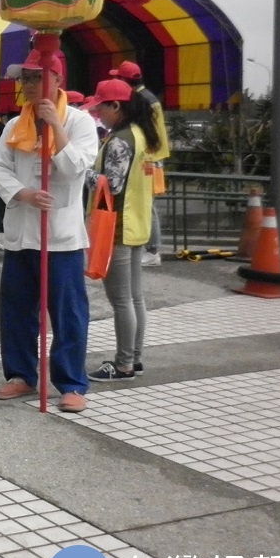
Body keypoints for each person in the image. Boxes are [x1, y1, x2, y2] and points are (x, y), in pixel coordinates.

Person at [0, 48, 99, 413]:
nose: (29, 85)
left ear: (58, 80)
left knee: (67, 312)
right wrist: (23, 193)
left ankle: (70, 383)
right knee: (17, 309)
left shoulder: (80, 122)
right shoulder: (12, 125)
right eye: (26, 78)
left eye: (37, 77)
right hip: (21, 231)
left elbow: (76, 169)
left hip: (61, 237)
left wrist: (56, 127)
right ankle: (20, 375)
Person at [83, 78, 161, 380]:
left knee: (121, 300)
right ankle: (134, 358)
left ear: (116, 106)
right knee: (134, 297)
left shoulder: (118, 141)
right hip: (137, 223)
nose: (98, 113)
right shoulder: (141, 135)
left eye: (101, 107)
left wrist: (85, 172)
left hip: (117, 227)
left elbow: (110, 185)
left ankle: (124, 363)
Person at [109, 61, 170, 266]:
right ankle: (147, 247)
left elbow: (150, 132)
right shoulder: (147, 97)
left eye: (119, 78)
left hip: (149, 157)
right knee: (143, 203)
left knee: (147, 204)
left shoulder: (142, 99)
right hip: (150, 155)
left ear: (127, 81)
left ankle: (152, 249)